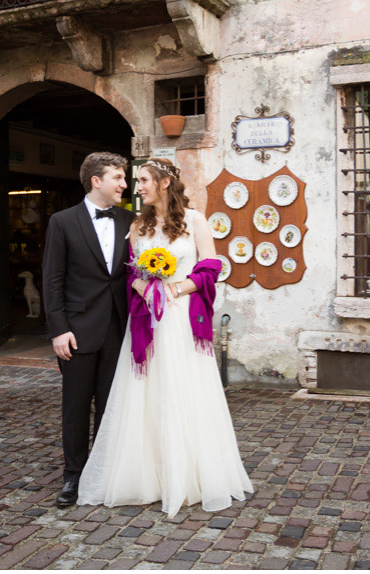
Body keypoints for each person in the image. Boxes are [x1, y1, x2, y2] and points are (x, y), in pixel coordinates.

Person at [77, 158, 253, 518]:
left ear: (163, 182)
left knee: (184, 389)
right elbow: (129, 273)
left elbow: (212, 266)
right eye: (135, 180)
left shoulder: (195, 220)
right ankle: (149, 476)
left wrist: (177, 288)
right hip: (148, 322)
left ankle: (189, 475)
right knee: (146, 394)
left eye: (142, 180)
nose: (136, 187)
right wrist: (144, 285)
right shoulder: (138, 226)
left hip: (183, 320)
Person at [43, 152, 134, 509]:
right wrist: (59, 329)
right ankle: (74, 477)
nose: (124, 184)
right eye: (118, 177)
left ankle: (106, 471)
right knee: (76, 407)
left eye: (125, 178)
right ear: (96, 181)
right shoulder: (62, 222)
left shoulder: (131, 220)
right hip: (77, 331)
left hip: (119, 328)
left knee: (112, 406)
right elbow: (52, 280)